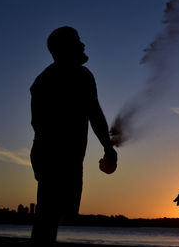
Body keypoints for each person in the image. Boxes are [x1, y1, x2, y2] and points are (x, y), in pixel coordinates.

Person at [29, 26, 117, 246]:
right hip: (59, 157)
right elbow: (94, 113)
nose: (83, 45)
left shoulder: (42, 81)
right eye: (77, 41)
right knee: (49, 216)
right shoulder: (80, 76)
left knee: (50, 215)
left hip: (51, 156)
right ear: (64, 49)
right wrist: (108, 147)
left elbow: (37, 125)